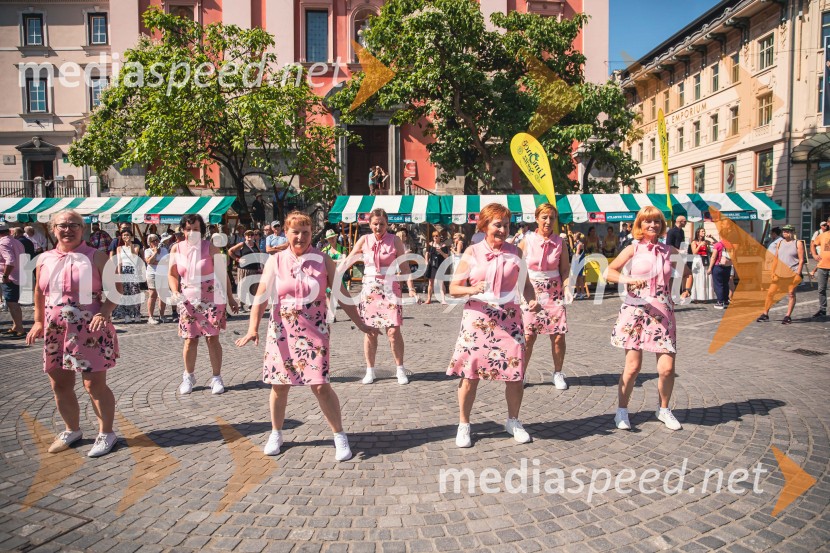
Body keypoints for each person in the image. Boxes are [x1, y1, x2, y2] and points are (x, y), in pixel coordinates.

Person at [235, 212, 376, 460]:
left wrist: (362, 324)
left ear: (312, 234)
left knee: (321, 386)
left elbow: (342, 295)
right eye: (295, 232)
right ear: (286, 233)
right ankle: (276, 433)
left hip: (315, 329)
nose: (300, 237)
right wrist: (252, 328)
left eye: (306, 232)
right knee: (280, 386)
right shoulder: (276, 261)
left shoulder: (323, 260)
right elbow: (261, 297)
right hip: (282, 330)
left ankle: (340, 436)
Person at [25, 210, 119, 457]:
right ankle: (72, 430)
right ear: (52, 228)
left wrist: (105, 312)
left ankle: (106, 433)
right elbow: (38, 292)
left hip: (91, 330)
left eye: (74, 225)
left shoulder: (97, 257)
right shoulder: (44, 259)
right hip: (56, 330)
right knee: (59, 384)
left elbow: (115, 292)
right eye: (62, 225)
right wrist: (37, 321)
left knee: (93, 385)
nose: (68, 229)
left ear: (83, 228)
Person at [447, 203, 540, 448]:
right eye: (497, 224)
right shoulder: (472, 252)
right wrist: (472, 289)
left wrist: (531, 299)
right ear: (485, 225)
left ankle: (513, 421)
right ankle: (464, 424)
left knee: (515, 373)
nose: (502, 229)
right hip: (478, 318)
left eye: (506, 225)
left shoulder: (516, 253)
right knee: (471, 373)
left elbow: (526, 285)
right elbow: (454, 288)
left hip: (509, 318)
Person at [605, 206, 693, 432]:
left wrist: (686, 290)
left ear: (661, 225)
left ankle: (663, 409)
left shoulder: (669, 250)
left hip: (663, 313)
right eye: (647, 222)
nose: (652, 225)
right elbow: (609, 272)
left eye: (656, 221)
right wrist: (629, 280)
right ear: (640, 226)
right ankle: (622, 411)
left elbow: (687, 274)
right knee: (633, 368)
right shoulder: (632, 248)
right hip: (637, 312)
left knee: (666, 369)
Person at [168, 214, 239, 395]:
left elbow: (223, 275)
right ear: (183, 230)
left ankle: (216, 377)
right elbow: (172, 274)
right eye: (188, 229)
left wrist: (231, 298)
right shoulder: (176, 249)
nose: (192, 233)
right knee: (190, 340)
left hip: (212, 297)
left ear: (202, 231)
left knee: (212, 338)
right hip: (187, 298)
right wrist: (175, 290)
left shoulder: (211, 248)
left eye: (196, 230)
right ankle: (189, 376)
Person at [347, 208, 418, 385]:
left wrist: (411, 288)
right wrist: (331, 275)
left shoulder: (395, 240)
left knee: (393, 331)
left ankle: (400, 369)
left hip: (390, 288)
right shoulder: (364, 240)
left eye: (382, 224)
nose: (378, 227)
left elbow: (405, 267)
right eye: (375, 224)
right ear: (370, 224)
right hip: (370, 288)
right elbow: (350, 259)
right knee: (370, 332)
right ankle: (370, 370)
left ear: (387, 224)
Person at [520, 203, 570, 390]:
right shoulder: (527, 240)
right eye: (545, 217)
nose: (548, 221)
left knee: (558, 336)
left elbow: (564, 270)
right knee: (528, 336)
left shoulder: (560, 242)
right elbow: (517, 266)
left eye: (552, 218)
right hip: (530, 290)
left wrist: (567, 287)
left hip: (554, 292)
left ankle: (558, 373)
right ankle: (521, 373)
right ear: (537, 218)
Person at [757, 225, 805, 324]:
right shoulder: (779, 243)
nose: (784, 232)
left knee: (791, 294)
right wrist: (773, 272)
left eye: (787, 231)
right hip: (779, 273)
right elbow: (776, 259)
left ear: (792, 232)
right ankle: (765, 314)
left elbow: (801, 260)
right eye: (783, 231)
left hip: (792, 273)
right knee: (770, 293)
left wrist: (798, 274)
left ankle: (787, 316)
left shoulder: (798, 243)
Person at [111, 228, 143, 324]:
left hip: (133, 270)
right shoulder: (119, 248)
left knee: (135, 292)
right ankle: (127, 314)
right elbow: (120, 262)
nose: (126, 237)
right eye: (124, 235)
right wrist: (119, 273)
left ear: (131, 236)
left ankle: (137, 314)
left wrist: (130, 245)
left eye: (128, 235)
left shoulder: (136, 246)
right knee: (125, 293)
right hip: (124, 270)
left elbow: (134, 255)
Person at [0, 222, 26, 336]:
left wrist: (5, 276)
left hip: (9, 277)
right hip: (18, 275)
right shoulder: (16, 241)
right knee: (13, 302)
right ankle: (16, 326)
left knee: (12, 303)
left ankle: (20, 328)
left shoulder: (3, 243)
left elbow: (10, 261)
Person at [228, 229, 264, 311]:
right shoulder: (242, 244)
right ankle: (241, 304)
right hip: (244, 269)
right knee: (243, 287)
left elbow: (259, 255)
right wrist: (237, 259)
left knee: (253, 287)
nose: (250, 236)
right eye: (248, 235)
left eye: (251, 234)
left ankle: (251, 304)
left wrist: (260, 266)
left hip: (254, 269)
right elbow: (230, 251)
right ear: (245, 236)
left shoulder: (256, 244)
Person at [144, 234, 169, 324]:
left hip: (163, 274)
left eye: (156, 240)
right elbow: (149, 261)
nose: (155, 242)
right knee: (153, 295)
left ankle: (162, 315)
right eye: (153, 241)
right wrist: (154, 253)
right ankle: (150, 316)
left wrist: (156, 262)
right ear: (149, 243)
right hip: (152, 274)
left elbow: (167, 261)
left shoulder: (164, 250)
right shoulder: (147, 251)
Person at [708, 233, 735, 309]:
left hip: (718, 266)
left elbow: (713, 257)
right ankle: (726, 301)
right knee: (725, 284)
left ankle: (720, 302)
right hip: (728, 266)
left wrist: (710, 268)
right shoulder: (730, 244)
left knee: (718, 284)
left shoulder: (718, 245)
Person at [810, 219, 830, 318]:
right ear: (828, 223)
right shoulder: (823, 235)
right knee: (821, 289)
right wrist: (814, 254)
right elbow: (813, 244)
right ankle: (822, 309)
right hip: (822, 266)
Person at [425, 230, 450, 304]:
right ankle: (429, 299)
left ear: (439, 237)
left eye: (436, 236)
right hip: (432, 265)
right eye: (433, 236)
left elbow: (446, 256)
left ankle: (443, 300)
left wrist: (441, 252)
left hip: (440, 265)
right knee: (430, 282)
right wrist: (426, 261)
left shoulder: (443, 246)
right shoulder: (430, 244)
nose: (435, 237)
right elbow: (427, 253)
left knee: (441, 283)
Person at [690, 227, 714, 302]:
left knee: (705, 277)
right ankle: (696, 297)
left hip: (705, 259)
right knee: (697, 277)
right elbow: (694, 252)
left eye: (704, 231)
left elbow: (716, 244)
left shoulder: (706, 241)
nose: (704, 232)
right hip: (698, 259)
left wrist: (712, 238)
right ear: (698, 233)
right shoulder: (694, 242)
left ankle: (705, 297)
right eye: (702, 231)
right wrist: (700, 245)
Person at [572, 232, 587, 299]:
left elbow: (577, 254)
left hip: (579, 262)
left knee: (580, 277)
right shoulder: (577, 244)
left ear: (576, 237)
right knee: (576, 277)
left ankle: (583, 292)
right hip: (578, 261)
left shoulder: (579, 244)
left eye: (574, 236)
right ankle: (578, 292)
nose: (573, 238)